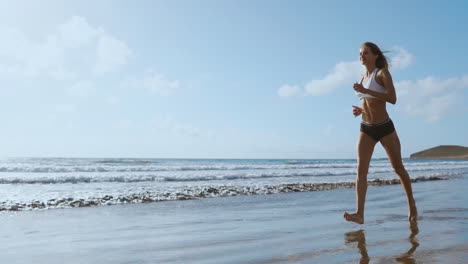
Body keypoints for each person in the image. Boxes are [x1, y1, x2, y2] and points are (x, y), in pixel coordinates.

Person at [343, 42, 418, 224]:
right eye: (360, 53)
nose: (362, 56)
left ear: (375, 55)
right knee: (361, 171)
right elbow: (368, 102)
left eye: (365, 53)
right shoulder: (362, 77)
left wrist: (366, 91)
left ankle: (412, 205)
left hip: (384, 127)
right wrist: (360, 110)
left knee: (398, 168)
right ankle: (360, 214)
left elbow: (392, 99)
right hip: (366, 128)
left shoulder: (382, 73)